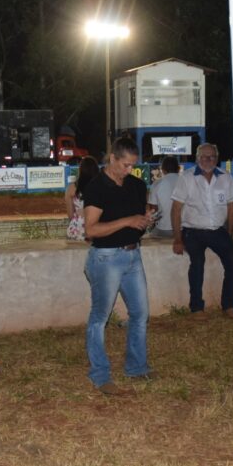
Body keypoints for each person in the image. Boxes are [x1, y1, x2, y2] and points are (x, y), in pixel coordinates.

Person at [82, 136, 156, 395]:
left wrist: (145, 220)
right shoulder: (96, 187)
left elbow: (138, 217)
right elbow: (90, 230)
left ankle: (136, 367)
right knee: (99, 317)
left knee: (140, 314)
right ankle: (100, 375)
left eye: (133, 165)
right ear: (112, 158)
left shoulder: (137, 185)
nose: (129, 170)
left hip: (133, 256)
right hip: (106, 258)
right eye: (124, 165)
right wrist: (128, 220)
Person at [170, 143, 233, 319]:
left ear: (217, 159)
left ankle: (228, 305)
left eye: (211, 157)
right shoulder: (186, 178)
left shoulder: (226, 178)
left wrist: (230, 234)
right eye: (203, 156)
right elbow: (176, 209)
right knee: (197, 263)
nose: (207, 160)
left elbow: (232, 208)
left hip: (218, 230)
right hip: (192, 231)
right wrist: (177, 239)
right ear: (197, 158)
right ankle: (196, 308)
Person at [65, 156, 99, 241]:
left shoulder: (72, 188)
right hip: (97, 229)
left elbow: (70, 215)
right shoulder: (101, 187)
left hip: (77, 230)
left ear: (80, 170)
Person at [147, 155, 181, 239]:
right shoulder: (187, 182)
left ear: (162, 169)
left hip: (163, 229)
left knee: (148, 233)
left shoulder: (157, 184)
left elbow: (153, 211)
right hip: (184, 229)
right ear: (178, 168)